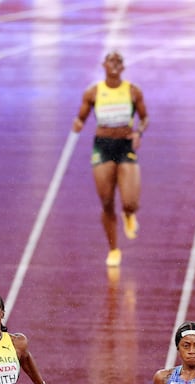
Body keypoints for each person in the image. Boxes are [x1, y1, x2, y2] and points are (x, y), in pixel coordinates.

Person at [73, 51, 149, 268]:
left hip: (125, 146)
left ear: (123, 67)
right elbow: (81, 117)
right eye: (111, 61)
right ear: (103, 65)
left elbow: (145, 118)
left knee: (130, 201)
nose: (115, 65)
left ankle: (129, 214)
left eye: (119, 62)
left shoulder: (133, 92)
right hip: (103, 147)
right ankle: (114, 249)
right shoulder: (94, 92)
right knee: (106, 202)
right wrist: (77, 124)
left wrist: (139, 132)